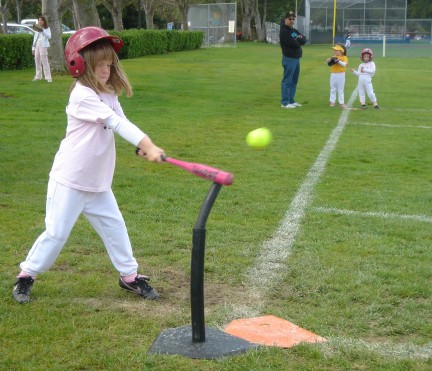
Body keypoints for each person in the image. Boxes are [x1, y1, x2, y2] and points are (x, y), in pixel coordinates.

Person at [12, 27, 166, 304]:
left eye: (108, 64)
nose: (105, 70)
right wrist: (149, 144)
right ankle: (26, 275)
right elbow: (115, 123)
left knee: (115, 227)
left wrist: (139, 146)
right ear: (80, 65)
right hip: (70, 179)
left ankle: (129, 276)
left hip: (97, 182)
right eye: (99, 65)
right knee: (56, 233)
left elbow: (121, 121)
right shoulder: (82, 94)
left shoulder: (108, 95)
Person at [279, 11, 307, 109]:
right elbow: (295, 44)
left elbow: (304, 40)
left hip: (296, 59)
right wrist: (298, 39)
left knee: (294, 81)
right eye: (290, 19)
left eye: (293, 19)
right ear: (285, 19)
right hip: (289, 58)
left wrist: (298, 38)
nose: (292, 21)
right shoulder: (284, 31)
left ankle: (291, 100)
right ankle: (285, 102)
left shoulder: (293, 30)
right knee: (287, 80)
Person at [326, 44, 348, 108]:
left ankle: (341, 103)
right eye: (334, 50)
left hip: (341, 74)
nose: (335, 51)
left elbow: (344, 65)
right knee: (333, 88)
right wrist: (328, 60)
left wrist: (338, 61)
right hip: (333, 74)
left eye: (336, 50)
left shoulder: (344, 57)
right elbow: (330, 63)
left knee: (340, 89)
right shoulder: (334, 57)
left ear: (341, 51)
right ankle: (332, 102)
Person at [32, 16, 52, 82]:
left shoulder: (47, 28)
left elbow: (49, 37)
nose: (40, 21)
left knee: (44, 61)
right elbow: (35, 39)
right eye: (39, 20)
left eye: (41, 20)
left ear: (44, 21)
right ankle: (38, 76)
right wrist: (33, 48)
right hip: (37, 45)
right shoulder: (36, 29)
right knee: (37, 60)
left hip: (43, 46)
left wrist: (42, 31)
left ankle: (48, 77)